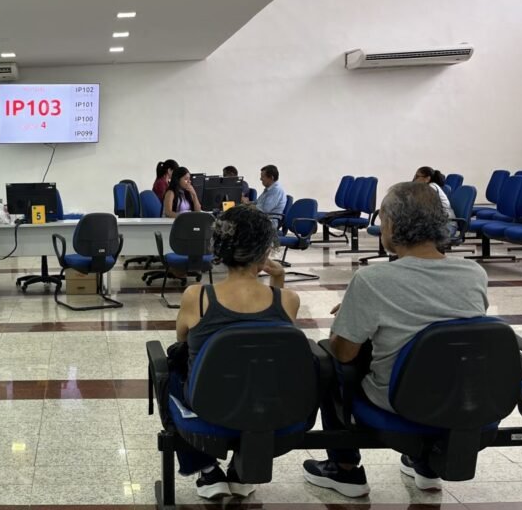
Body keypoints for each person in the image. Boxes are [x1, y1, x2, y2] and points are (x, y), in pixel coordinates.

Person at [302, 182, 488, 497]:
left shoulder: (372, 280)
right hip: (461, 397)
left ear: (392, 225)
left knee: (328, 362)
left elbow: (344, 352)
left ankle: (344, 469)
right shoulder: (474, 274)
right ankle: (426, 465)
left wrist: (350, 314)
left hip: (398, 401)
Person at [175, 204, 300, 499]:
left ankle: (207, 469)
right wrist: (278, 279)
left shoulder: (197, 297)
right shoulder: (288, 299)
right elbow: (280, 338)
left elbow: (182, 342)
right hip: (270, 405)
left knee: (173, 370)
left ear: (219, 248)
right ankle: (244, 469)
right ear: (265, 251)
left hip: (209, 404)